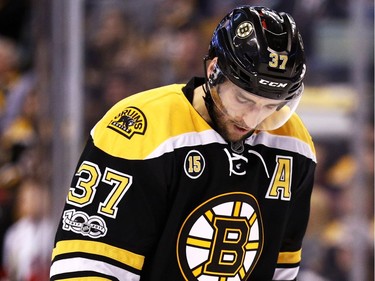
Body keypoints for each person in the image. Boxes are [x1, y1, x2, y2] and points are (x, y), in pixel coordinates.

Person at [50, 5, 316, 281]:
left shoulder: (293, 145)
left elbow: (280, 271)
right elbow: (87, 268)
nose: (253, 119)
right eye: (243, 99)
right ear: (214, 70)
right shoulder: (141, 129)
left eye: (270, 106)